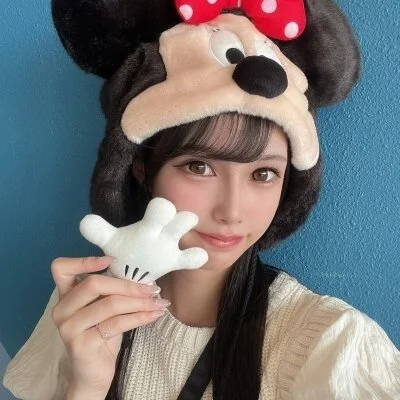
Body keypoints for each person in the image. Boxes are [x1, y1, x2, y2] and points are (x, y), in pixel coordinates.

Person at [3, 1, 400, 399]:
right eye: (199, 167)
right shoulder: (85, 308)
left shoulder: (332, 346)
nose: (231, 211)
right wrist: (87, 386)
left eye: (263, 174)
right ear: (142, 167)